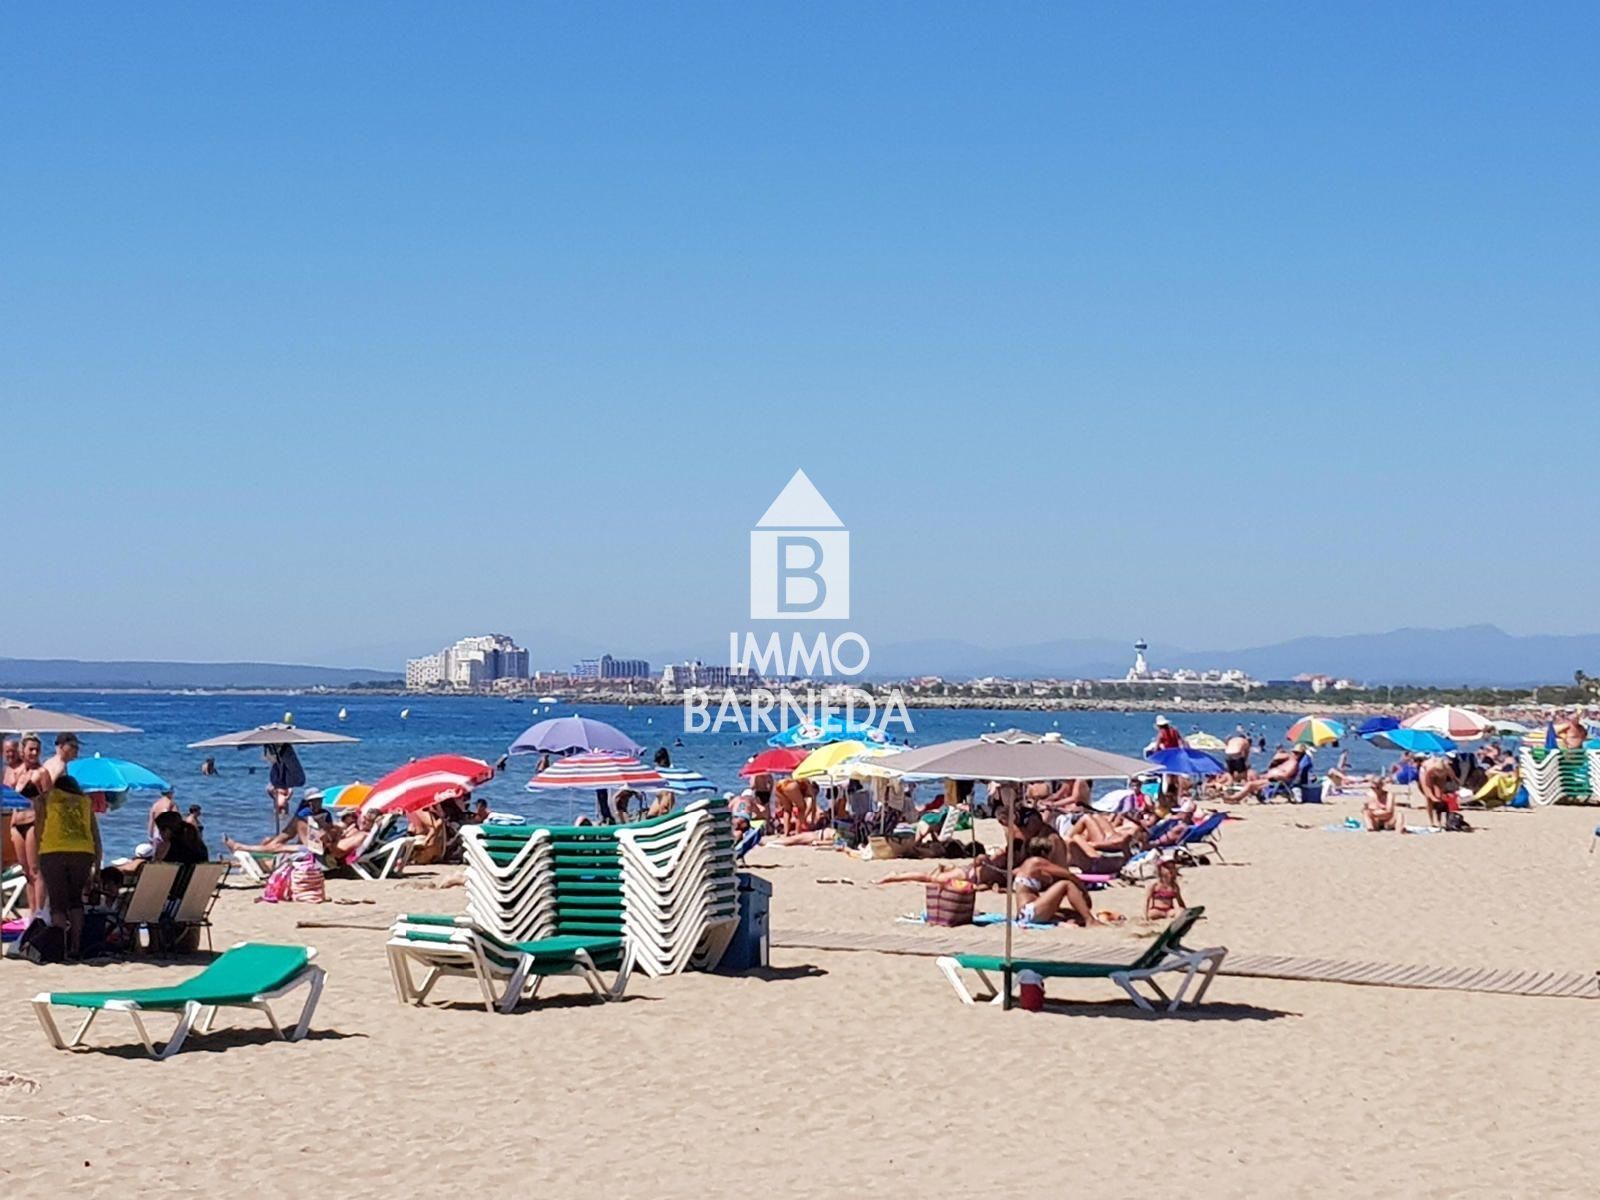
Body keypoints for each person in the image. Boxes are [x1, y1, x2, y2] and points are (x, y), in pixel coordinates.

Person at [29, 774, 102, 959]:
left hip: (53, 851)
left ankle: (59, 947)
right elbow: (95, 834)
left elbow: (39, 828)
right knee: (75, 900)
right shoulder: (85, 801)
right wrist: (98, 865)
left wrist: (37, 855)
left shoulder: (45, 799)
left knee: (57, 903)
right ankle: (75, 946)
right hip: (83, 852)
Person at [4, 736, 42, 915]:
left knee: (35, 870)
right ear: (23, 751)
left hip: (32, 821)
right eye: (30, 749)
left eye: (36, 750)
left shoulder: (40, 772)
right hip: (15, 822)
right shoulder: (11, 771)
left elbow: (47, 800)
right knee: (26, 872)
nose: (34, 753)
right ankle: (32, 913)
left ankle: (39, 913)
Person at [1418, 756, 1461, 829]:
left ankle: (1439, 821)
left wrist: (1457, 782)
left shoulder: (1446, 767)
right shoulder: (1427, 769)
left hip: (1440, 774)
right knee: (1428, 798)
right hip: (1426, 774)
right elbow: (1427, 788)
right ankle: (1431, 822)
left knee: (1439, 797)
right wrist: (1432, 797)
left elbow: (1453, 777)